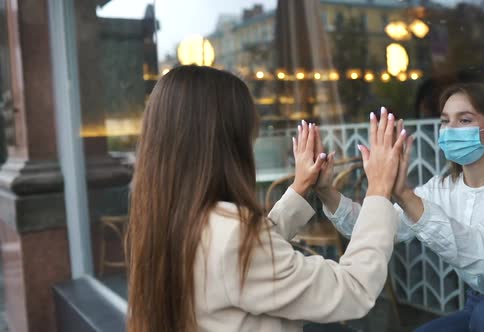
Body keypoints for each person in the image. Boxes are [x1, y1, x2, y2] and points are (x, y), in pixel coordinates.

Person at [125, 65, 410, 332]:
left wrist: (300, 189)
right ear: (228, 146)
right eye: (250, 138)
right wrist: (378, 190)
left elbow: (248, 259)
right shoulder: (232, 236)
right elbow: (352, 290)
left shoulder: (165, 219)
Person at [314, 83, 484, 331]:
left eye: (464, 120)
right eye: (444, 121)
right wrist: (327, 192)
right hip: (480, 305)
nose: (450, 129)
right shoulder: (440, 189)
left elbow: (479, 254)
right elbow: (377, 226)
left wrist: (403, 193)